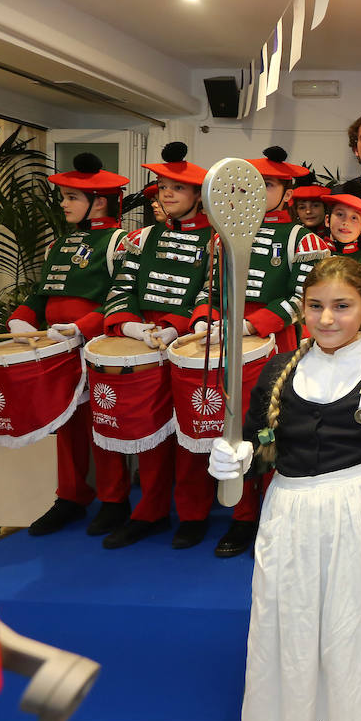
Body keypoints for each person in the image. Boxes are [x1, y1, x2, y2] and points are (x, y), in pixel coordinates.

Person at [209, 255, 361, 721]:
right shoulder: (277, 371)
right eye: (315, 307)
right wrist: (237, 459)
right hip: (289, 519)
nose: (327, 319)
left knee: (354, 632)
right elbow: (260, 446)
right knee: (288, 628)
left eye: (342, 306)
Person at [190, 146, 332, 558]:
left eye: (266, 185)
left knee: (275, 434)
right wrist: (205, 318)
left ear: (286, 192)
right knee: (233, 432)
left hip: (277, 346)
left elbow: (304, 299)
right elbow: (208, 287)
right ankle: (242, 518)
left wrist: (254, 325)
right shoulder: (222, 233)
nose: (253, 191)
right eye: (247, 184)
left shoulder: (302, 239)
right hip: (225, 345)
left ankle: (278, 517)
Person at [7, 154, 130, 537]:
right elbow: (42, 293)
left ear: (100, 201)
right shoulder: (59, 244)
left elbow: (123, 297)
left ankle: (114, 500)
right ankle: (71, 497)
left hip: (99, 346)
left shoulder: (122, 242)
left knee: (104, 424)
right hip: (57, 348)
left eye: (71, 197)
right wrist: (23, 316)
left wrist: (80, 327)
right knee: (66, 423)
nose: (62, 203)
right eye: (63, 196)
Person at [100, 142, 215, 550]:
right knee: (148, 431)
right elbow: (122, 286)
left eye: (177, 188)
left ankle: (194, 513)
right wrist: (130, 326)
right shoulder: (140, 237)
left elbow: (210, 292)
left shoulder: (215, 241)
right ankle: (148, 512)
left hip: (188, 345)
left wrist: (174, 327)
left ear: (198, 196)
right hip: (142, 348)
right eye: (163, 186)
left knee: (191, 434)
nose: (166, 194)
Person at [321, 192, 361, 264]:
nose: (346, 222)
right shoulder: (312, 256)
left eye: (354, 218)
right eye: (340, 214)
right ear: (327, 220)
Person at [290, 177, 332, 243]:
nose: (308, 211)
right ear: (296, 211)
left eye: (315, 206)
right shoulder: (293, 236)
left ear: (325, 207)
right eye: (302, 207)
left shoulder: (335, 235)